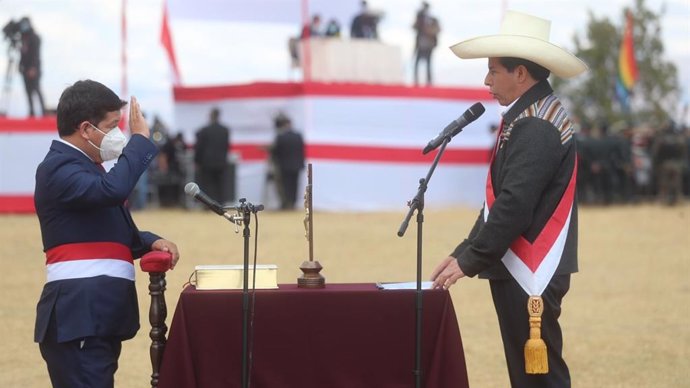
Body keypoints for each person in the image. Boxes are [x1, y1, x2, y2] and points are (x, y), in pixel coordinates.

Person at [430, 11, 587, 388]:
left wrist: (471, 259)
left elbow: (514, 204)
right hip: (522, 267)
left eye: (494, 71)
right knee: (531, 375)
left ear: (521, 74)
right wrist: (464, 249)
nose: (486, 80)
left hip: (530, 271)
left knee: (539, 378)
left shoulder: (535, 124)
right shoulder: (530, 114)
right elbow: (501, 201)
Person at [33, 79, 180, 388]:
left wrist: (149, 240)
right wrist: (140, 141)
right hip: (80, 315)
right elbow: (112, 191)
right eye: (113, 126)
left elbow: (106, 227)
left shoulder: (87, 168)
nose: (119, 135)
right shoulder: (59, 167)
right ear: (86, 129)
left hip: (96, 315)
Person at [194, 107, 231, 205]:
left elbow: (199, 147)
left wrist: (197, 161)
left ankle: (208, 205)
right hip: (221, 161)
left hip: (207, 162)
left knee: (207, 184)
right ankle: (221, 204)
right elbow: (226, 146)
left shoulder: (204, 130)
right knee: (221, 184)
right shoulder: (225, 130)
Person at [270, 112, 305, 210]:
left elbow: (276, 151)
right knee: (294, 185)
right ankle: (292, 203)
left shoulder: (280, 137)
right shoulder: (298, 135)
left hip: (284, 166)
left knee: (286, 186)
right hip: (297, 165)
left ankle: (287, 204)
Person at [18, 16, 46, 117]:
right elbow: (22, 55)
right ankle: (31, 112)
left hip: (34, 69)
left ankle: (43, 112)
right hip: (25, 70)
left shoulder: (35, 37)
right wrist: (20, 66)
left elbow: (35, 54)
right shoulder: (23, 39)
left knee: (36, 89)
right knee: (28, 91)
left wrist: (33, 68)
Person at [412, 1, 440, 86]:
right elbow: (414, 27)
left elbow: (437, 30)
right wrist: (419, 19)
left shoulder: (433, 20)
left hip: (429, 45)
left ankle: (429, 81)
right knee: (417, 63)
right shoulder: (420, 19)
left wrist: (427, 30)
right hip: (420, 45)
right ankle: (416, 81)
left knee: (428, 64)